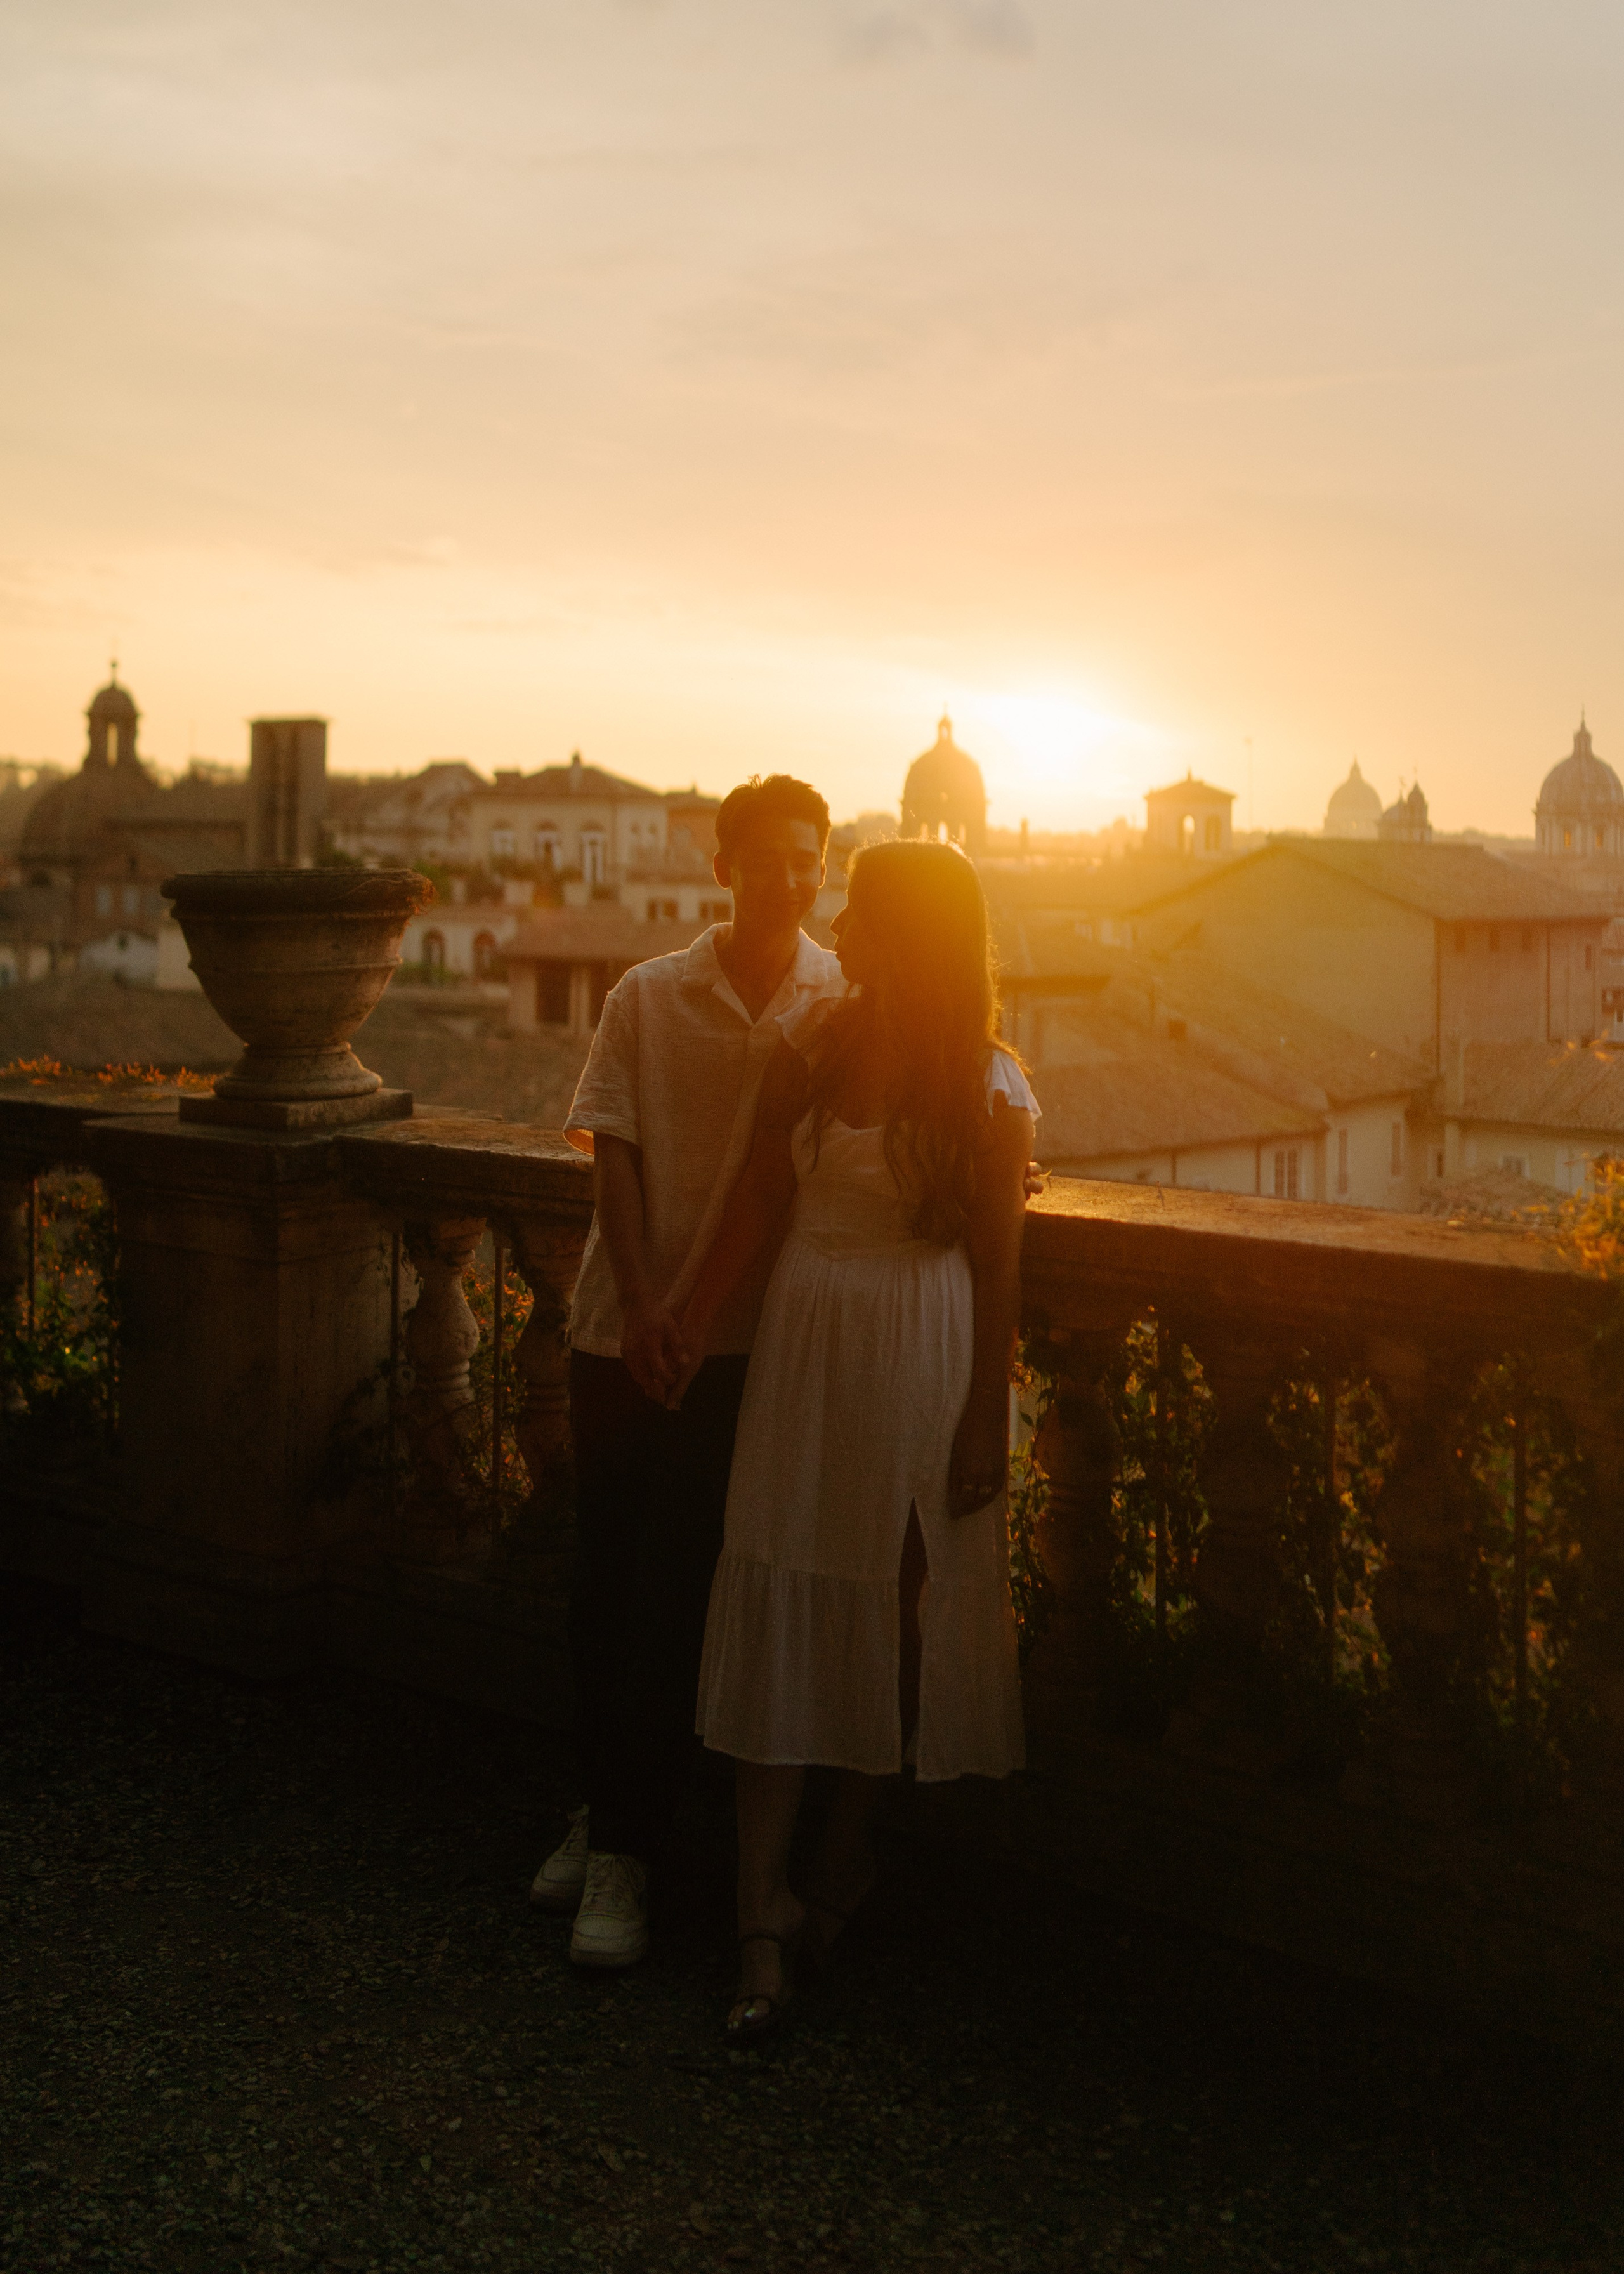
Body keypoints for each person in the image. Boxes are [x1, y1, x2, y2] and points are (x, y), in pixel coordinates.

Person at [665, 838, 1037, 2038]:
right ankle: (757, 1912)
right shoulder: (814, 1049)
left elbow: (1000, 1268)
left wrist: (987, 1411)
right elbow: (758, 1205)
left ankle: (842, 1864)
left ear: (907, 935)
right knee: (779, 1587)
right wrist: (677, 1313)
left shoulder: (990, 1085)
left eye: (863, 913)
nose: (842, 929)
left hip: (923, 1355)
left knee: (897, 1610)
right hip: (808, 1344)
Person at [529, 774, 844, 1968]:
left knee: (680, 1597)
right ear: (725, 867)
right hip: (622, 1330)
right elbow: (615, 1151)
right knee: (603, 1589)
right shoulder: (647, 997)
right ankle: (608, 1815)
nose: (789, 876)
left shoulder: (838, 1003)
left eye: (808, 857)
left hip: (743, 1350)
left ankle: (625, 1849)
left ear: (825, 866)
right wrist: (656, 1303)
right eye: (766, 856)